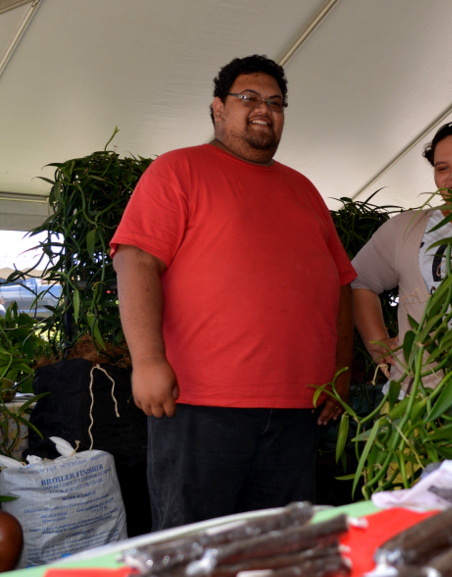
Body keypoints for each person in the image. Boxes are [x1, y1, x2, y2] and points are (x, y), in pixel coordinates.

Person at [110, 55, 356, 530]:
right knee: (195, 551)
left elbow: (341, 284)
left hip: (297, 412)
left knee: (282, 551)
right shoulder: (178, 169)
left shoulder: (304, 189)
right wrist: (147, 360)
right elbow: (135, 260)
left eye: (276, 102)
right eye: (249, 98)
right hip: (200, 405)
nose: (264, 109)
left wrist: (340, 373)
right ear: (218, 109)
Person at [351, 118, 452, 391]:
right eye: (443, 168)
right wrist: (379, 348)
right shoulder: (406, 228)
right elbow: (359, 281)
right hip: (417, 400)